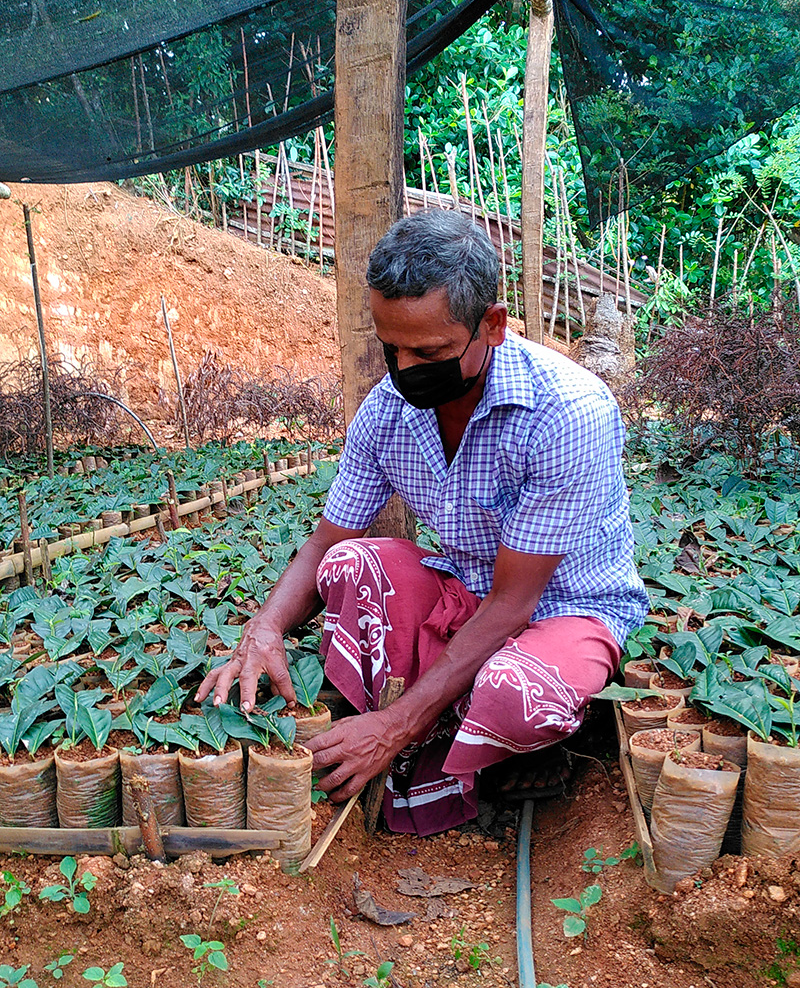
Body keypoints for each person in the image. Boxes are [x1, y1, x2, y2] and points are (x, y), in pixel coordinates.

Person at [197, 210, 649, 836]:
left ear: (491, 326)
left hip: (562, 607)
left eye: (429, 351)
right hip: (463, 589)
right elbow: (329, 538)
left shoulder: (567, 411)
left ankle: (499, 730)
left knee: (516, 694)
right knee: (349, 566)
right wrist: (265, 628)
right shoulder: (389, 410)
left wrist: (396, 722)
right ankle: (458, 716)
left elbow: (517, 601)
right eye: (393, 347)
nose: (406, 369)